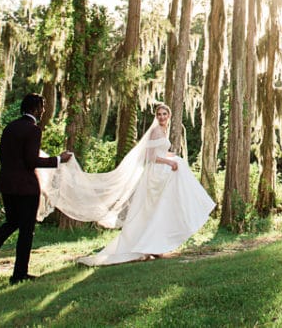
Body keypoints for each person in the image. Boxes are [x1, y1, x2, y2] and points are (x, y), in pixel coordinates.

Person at [38, 103, 215, 266]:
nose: (161, 117)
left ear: (169, 116)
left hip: (161, 174)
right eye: (159, 114)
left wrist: (173, 158)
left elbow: (162, 151)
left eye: (164, 114)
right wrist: (170, 163)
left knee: (160, 209)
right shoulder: (155, 131)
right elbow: (151, 156)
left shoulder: (164, 130)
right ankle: (149, 244)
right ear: (156, 116)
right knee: (151, 210)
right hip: (154, 175)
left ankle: (156, 244)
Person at [0, 93, 72, 286]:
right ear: (35, 108)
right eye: (43, 106)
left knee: (10, 223)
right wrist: (58, 159)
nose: (44, 110)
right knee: (26, 230)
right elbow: (31, 161)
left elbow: (4, 157)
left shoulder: (9, 127)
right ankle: (19, 273)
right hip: (26, 188)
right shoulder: (33, 130)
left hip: (7, 184)